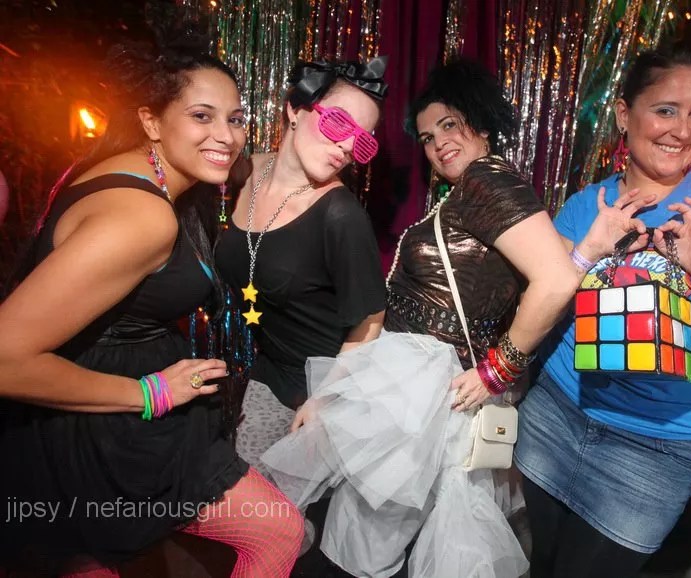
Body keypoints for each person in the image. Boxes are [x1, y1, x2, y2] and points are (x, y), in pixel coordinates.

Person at [0, 29, 303, 577]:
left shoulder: (138, 172)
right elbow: (4, 358)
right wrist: (148, 394)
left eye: (235, 119)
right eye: (202, 116)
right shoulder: (143, 216)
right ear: (151, 121)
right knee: (276, 531)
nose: (226, 136)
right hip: (102, 433)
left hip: (90, 428)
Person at [261, 59, 577, 578]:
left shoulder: (487, 180)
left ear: (481, 121)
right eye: (428, 137)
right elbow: (551, 263)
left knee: (360, 547)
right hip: (416, 391)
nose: (438, 144)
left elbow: (556, 281)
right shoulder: (474, 191)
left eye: (450, 125)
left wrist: (497, 369)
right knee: (372, 543)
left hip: (424, 392)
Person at [514, 44, 691, 578]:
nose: (683, 131)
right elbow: (541, 303)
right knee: (540, 566)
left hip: (655, 447)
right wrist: (587, 251)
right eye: (666, 110)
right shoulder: (587, 204)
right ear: (625, 115)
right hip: (555, 415)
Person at [215, 57, 387, 471]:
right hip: (259, 371)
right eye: (339, 124)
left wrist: (324, 401)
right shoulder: (244, 172)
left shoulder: (340, 215)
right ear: (295, 109)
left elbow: (370, 322)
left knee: (256, 500)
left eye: (363, 141)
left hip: (317, 389)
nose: (347, 147)